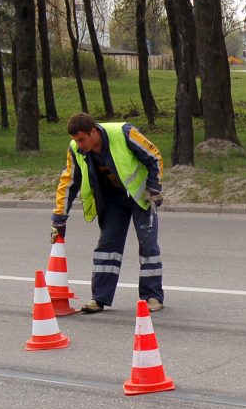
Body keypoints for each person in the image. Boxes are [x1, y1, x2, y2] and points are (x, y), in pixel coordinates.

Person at [51, 112, 165, 314]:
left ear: (93, 132)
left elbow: (154, 156)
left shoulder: (124, 133)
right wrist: (59, 218)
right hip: (112, 201)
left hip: (140, 197)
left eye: (81, 139)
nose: (79, 144)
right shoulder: (76, 150)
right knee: (106, 248)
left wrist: (154, 188)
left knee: (148, 247)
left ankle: (152, 296)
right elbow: (68, 183)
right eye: (75, 140)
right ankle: (99, 298)